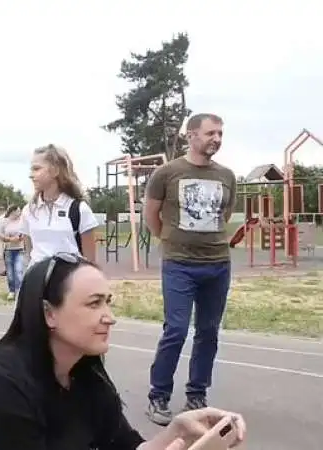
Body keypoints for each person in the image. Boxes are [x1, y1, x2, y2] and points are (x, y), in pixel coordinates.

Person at [0, 253, 248, 450]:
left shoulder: (84, 372)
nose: (110, 316)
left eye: (108, 302)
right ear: (49, 314)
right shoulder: (0, 383)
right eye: (94, 304)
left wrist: (176, 433)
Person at [143, 113, 237, 425]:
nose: (217, 139)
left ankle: (196, 394)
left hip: (217, 264)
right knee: (177, 330)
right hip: (179, 265)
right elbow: (151, 217)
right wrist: (172, 242)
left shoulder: (227, 176)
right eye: (211, 133)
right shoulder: (167, 173)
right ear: (191, 135)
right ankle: (158, 395)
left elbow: (224, 216)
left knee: (208, 332)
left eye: (220, 133)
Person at [20, 144, 99, 267]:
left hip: (71, 282)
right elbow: (29, 253)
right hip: (37, 283)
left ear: (55, 171)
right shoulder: (29, 210)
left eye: (37, 169)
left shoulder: (79, 210)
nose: (31, 175)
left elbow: (90, 263)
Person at [0, 205, 24, 301]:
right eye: (18, 211)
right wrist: (9, 239)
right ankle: (11, 291)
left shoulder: (22, 221)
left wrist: (20, 238)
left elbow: (25, 233)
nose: (19, 213)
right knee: (10, 272)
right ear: (12, 212)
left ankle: (19, 291)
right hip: (8, 249)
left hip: (20, 248)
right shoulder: (4, 221)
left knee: (18, 270)